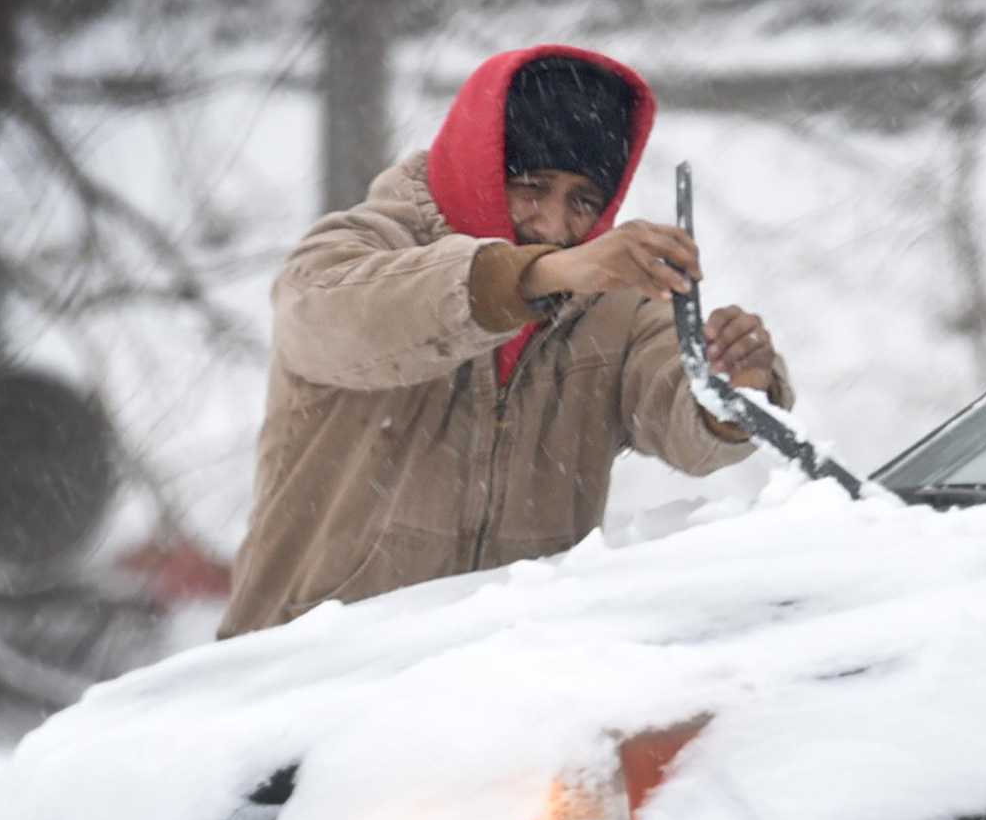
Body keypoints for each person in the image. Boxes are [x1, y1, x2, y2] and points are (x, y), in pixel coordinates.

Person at [218, 46, 791, 637]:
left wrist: (730, 391)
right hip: (304, 672)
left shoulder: (613, 305)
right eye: (531, 186)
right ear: (478, 164)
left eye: (582, 201)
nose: (553, 224)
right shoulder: (363, 245)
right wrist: (537, 276)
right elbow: (330, 321)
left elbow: (684, 418)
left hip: (501, 684)